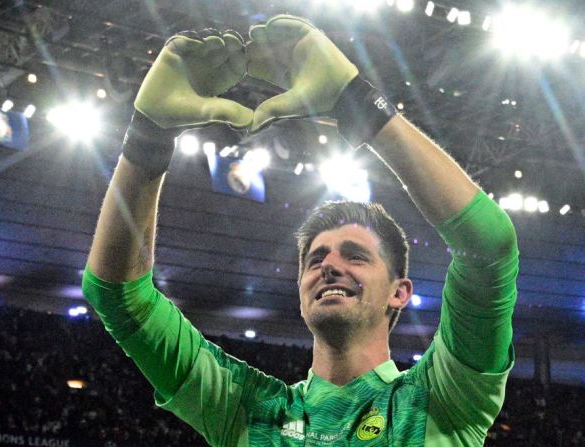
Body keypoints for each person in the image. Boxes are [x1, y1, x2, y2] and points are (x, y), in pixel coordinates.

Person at [83, 15, 518, 446]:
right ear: (300, 288)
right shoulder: (247, 410)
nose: (329, 266)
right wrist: (148, 138)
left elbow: (490, 248)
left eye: (355, 255)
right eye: (316, 259)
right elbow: (118, 295)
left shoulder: (444, 398)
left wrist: (358, 105)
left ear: (399, 292)